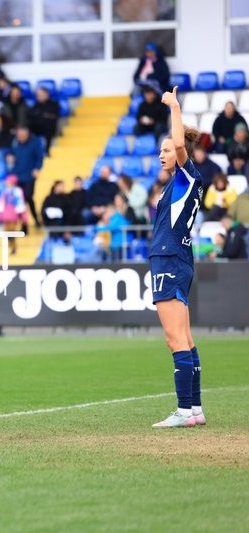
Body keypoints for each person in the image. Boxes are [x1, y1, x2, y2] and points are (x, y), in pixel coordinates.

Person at [148, 85, 205, 429]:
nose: (162, 154)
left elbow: (181, 143)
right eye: (161, 150)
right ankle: (195, 408)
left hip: (169, 259)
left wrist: (173, 105)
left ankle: (184, 410)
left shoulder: (186, 176)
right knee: (186, 338)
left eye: (166, 149)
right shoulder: (181, 183)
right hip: (179, 258)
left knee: (175, 339)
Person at [7, 125, 44, 226]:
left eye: (22, 135)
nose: (20, 137)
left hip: (29, 175)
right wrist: (9, 156)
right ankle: (24, 224)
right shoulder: (15, 142)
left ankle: (35, 219)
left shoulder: (35, 142)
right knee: (20, 200)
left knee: (28, 197)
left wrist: (37, 168)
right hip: (17, 175)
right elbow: (9, 152)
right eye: (19, 135)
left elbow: (39, 157)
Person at [0, 175, 27, 254]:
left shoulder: (17, 191)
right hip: (6, 213)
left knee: (12, 231)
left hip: (13, 213)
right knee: (7, 231)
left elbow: (19, 202)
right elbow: (1, 201)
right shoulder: (5, 191)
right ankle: (10, 246)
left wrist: (19, 211)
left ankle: (13, 246)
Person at [28, 87, 59, 154]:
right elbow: (32, 115)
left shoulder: (54, 104)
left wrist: (42, 115)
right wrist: (43, 115)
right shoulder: (36, 105)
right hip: (36, 127)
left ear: (46, 94)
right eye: (38, 95)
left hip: (48, 127)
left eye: (41, 94)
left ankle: (47, 150)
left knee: (48, 125)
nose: (39, 96)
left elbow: (52, 116)